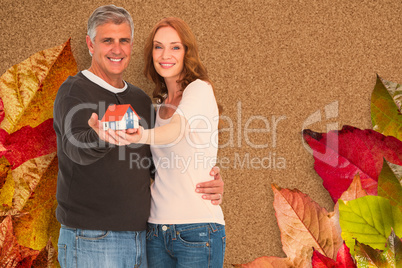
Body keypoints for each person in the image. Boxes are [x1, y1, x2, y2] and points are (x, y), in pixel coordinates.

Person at [53, 5, 223, 268]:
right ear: (90, 44)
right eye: (107, 40)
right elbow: (75, 147)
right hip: (92, 238)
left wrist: (206, 176)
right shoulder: (74, 91)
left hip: (143, 238)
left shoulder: (141, 101)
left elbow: (157, 163)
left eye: (124, 40)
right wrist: (101, 137)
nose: (116, 49)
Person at [101, 17, 225, 267]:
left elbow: (176, 130)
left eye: (175, 47)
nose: (165, 54)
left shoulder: (199, 89)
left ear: (187, 52)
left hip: (198, 230)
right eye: (158, 46)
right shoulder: (156, 110)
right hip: (155, 230)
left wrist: (141, 135)